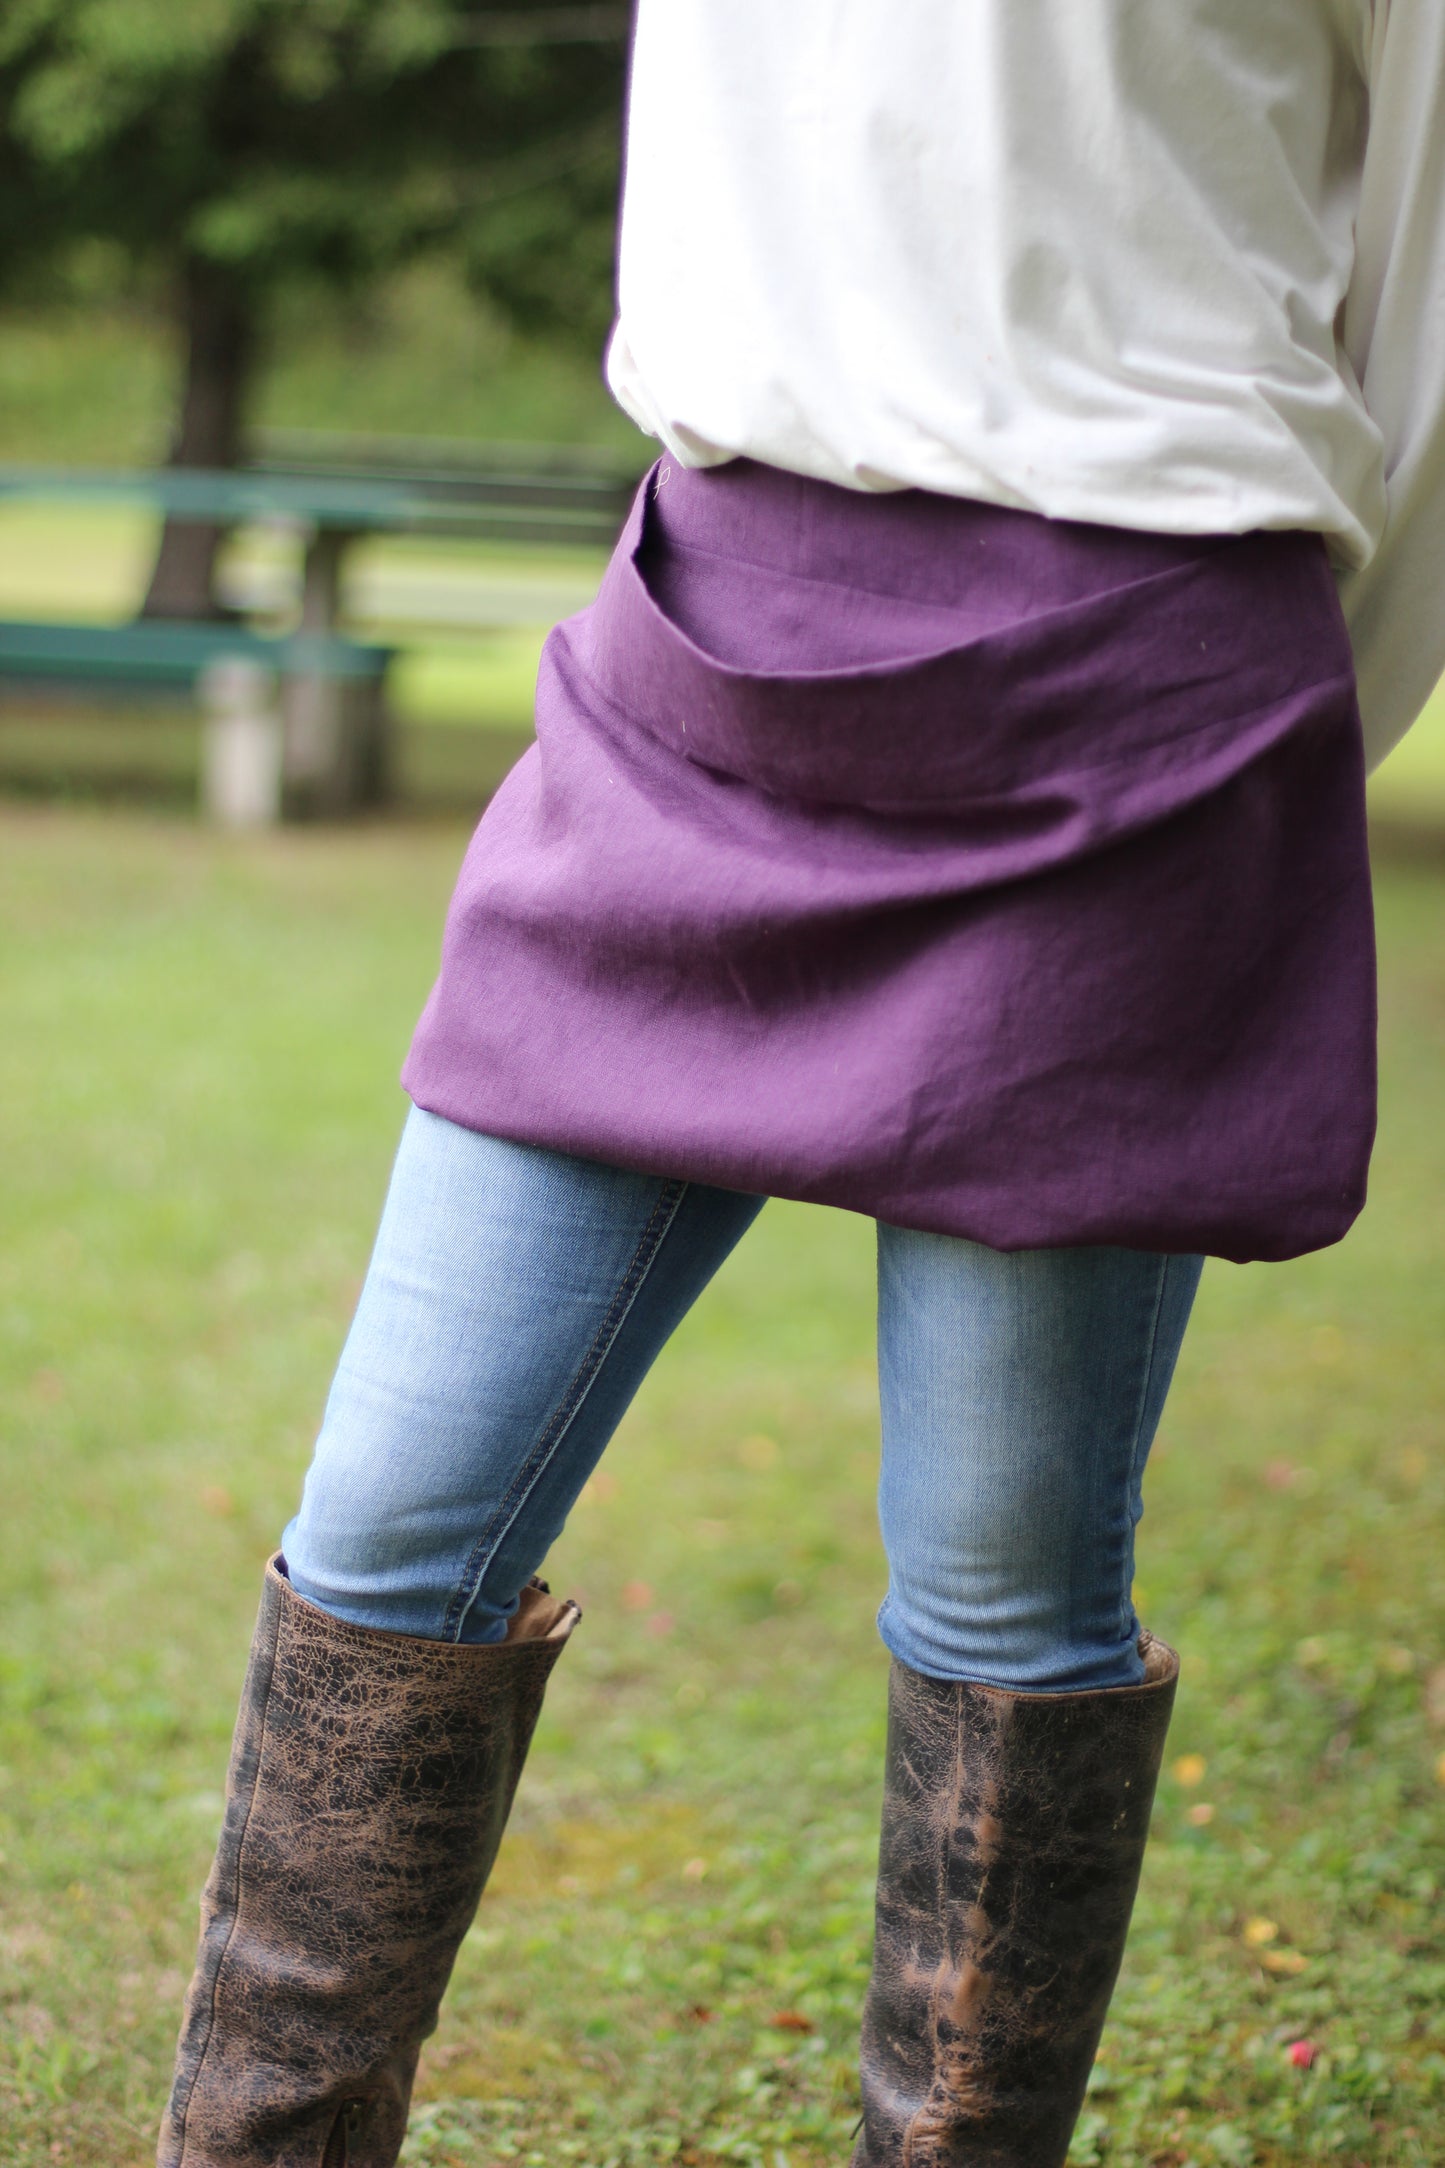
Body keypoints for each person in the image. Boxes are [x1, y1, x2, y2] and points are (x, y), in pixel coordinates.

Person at [158, 6, 1445, 2165]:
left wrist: (1264, 713)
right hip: (718, 635)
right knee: (387, 1529)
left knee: (1001, 1593)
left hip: (1130, 690)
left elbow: (1422, 305)